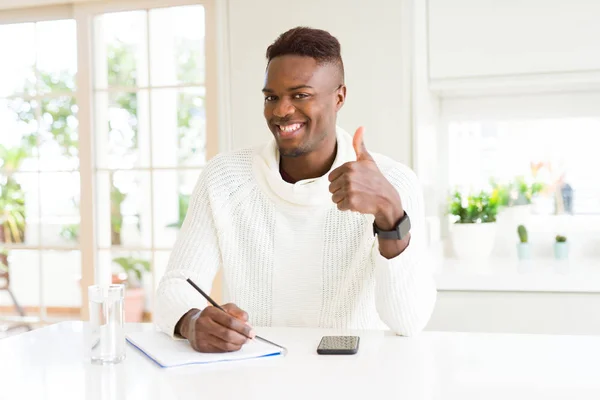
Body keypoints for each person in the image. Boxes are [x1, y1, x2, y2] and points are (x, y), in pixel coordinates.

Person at [156, 27, 437, 353]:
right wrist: (191, 321)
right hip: (256, 371)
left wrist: (390, 215)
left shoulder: (393, 183)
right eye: (271, 97)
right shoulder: (225, 177)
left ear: (339, 97)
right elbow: (175, 285)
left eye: (300, 95)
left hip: (354, 377)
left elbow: (410, 321)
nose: (280, 111)